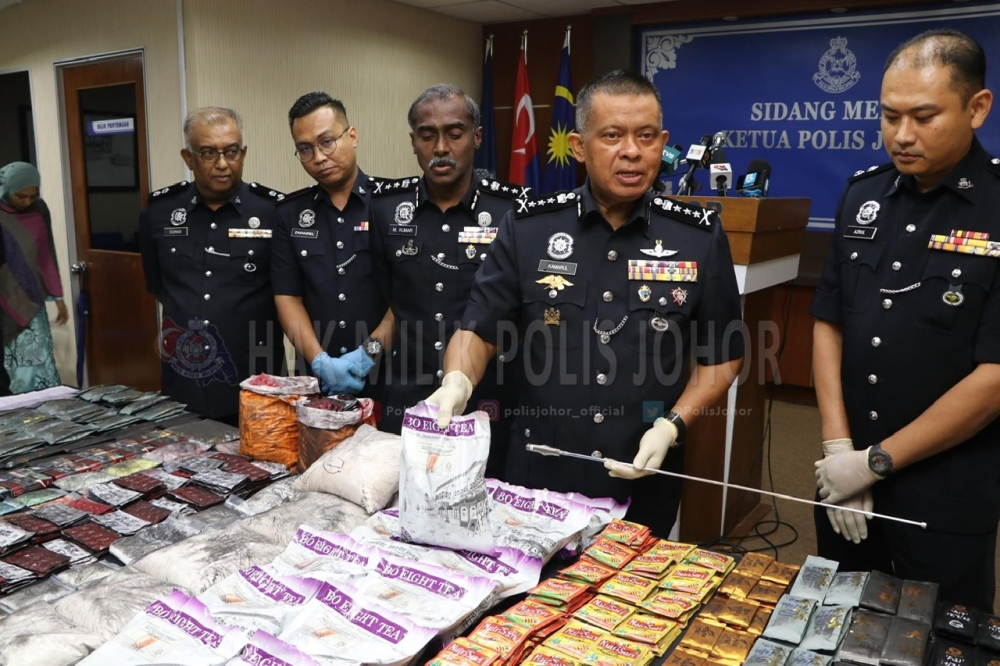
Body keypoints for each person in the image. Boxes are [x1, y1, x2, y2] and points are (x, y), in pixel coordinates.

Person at [426, 69, 745, 537]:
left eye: (646, 136)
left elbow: (723, 355)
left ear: (664, 142)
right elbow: (480, 326)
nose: (631, 151)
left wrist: (672, 426)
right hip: (539, 475)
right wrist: (457, 379)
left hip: (641, 471)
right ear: (578, 146)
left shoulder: (697, 235)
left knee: (633, 603)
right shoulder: (531, 227)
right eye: (612, 136)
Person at [811, 29, 999, 610]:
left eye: (923, 116)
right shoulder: (861, 196)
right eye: (889, 117)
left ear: (977, 108)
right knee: (834, 619)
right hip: (843, 476)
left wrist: (877, 462)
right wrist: (840, 448)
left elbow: (994, 378)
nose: (902, 135)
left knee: (941, 630)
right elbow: (829, 322)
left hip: (944, 488)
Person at [368, 83, 524, 476]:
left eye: (454, 134)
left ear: (476, 137)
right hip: (408, 393)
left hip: (488, 396)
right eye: (427, 135)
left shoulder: (511, 210)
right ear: (413, 142)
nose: (440, 147)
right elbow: (388, 294)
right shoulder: (387, 208)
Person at [138, 107, 285, 425]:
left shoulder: (274, 212)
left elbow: (289, 294)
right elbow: (159, 286)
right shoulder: (160, 212)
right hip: (183, 378)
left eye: (231, 152)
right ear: (188, 158)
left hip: (255, 379)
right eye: (207, 153)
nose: (222, 164)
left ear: (243, 153)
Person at [272, 93, 386, 397]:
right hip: (316, 381)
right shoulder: (289, 214)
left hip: (388, 373)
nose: (319, 157)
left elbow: (406, 297)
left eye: (327, 142)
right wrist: (319, 360)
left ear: (353, 136)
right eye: (305, 149)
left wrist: (369, 354)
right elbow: (288, 297)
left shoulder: (392, 205)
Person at [0, 162, 68, 393]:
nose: (27, 201)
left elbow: (46, 255)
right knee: (9, 366)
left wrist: (58, 297)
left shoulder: (39, 210)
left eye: (33, 195)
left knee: (37, 360)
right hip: (2, 301)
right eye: (21, 196)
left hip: (32, 301)